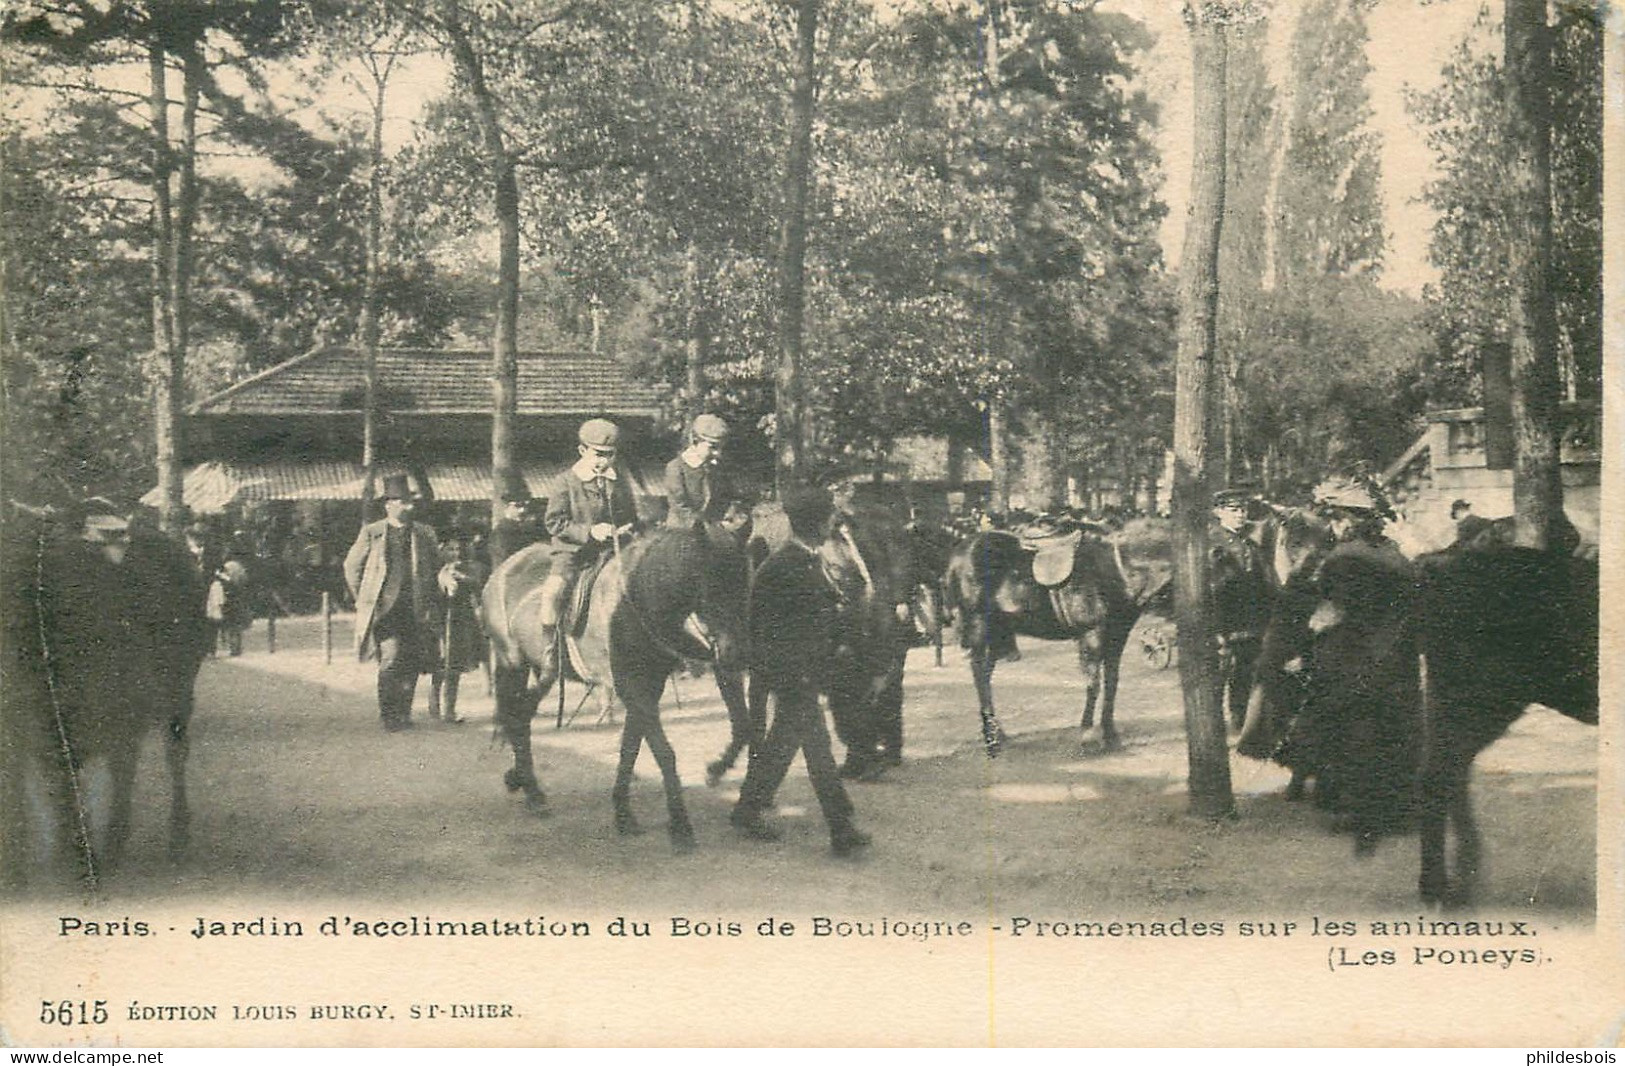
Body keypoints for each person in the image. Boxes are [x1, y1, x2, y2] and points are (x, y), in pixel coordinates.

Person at [730, 485, 871, 857]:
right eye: (830, 517)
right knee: (818, 751)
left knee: (785, 745)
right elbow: (768, 629)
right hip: (791, 674)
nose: (834, 523)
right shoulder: (784, 567)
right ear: (820, 522)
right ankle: (840, 828)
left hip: (802, 672)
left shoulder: (804, 560)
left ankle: (747, 809)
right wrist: (801, 671)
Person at [537, 418, 641, 682]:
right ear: (583, 451)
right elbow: (554, 522)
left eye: (609, 455)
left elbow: (630, 515)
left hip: (613, 552)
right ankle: (550, 651)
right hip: (573, 554)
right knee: (553, 593)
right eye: (598, 454)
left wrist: (627, 528)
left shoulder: (618, 481)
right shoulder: (566, 482)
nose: (603, 461)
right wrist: (589, 532)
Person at [344, 474, 440, 732]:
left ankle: (404, 713)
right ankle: (389, 714)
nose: (408, 507)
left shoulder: (423, 533)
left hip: (415, 607)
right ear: (388, 504)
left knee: (411, 660)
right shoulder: (373, 533)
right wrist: (363, 598)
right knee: (391, 658)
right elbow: (352, 566)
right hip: (384, 609)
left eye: (410, 502)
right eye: (402, 502)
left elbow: (436, 567)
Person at [1208, 488, 1270, 731]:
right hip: (1224, 622)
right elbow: (1212, 590)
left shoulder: (1250, 544)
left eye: (1243, 510)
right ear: (1218, 512)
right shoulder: (1213, 544)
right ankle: (1213, 721)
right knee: (1219, 674)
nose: (1240, 515)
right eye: (1234, 510)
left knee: (1245, 671)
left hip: (1250, 622)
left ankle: (1239, 716)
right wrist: (1216, 629)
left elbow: (1262, 585)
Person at [429, 531, 488, 725]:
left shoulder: (467, 568)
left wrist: (461, 578)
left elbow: (477, 586)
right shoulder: (434, 568)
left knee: (454, 665)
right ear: (441, 550)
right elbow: (431, 589)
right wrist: (442, 581)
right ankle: (434, 701)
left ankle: (449, 710)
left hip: (460, 621)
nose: (455, 553)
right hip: (440, 618)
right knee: (441, 663)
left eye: (457, 549)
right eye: (450, 549)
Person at [663, 413, 736, 531]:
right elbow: (680, 506)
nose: (718, 453)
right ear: (695, 441)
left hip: (713, 530)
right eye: (713, 447)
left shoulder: (716, 468)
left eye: (721, 448)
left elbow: (727, 497)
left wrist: (728, 517)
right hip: (683, 531)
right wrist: (705, 527)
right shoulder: (676, 468)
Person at [491, 469, 545, 566]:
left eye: (525, 506)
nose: (523, 510)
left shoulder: (530, 530)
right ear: (506, 506)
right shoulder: (501, 533)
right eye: (518, 506)